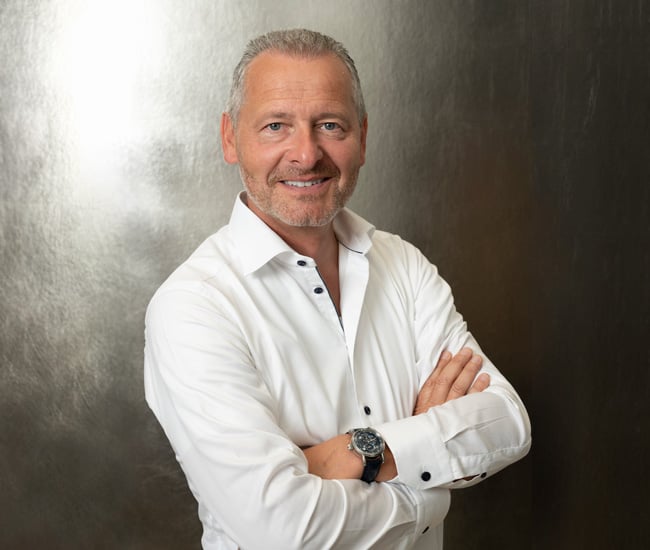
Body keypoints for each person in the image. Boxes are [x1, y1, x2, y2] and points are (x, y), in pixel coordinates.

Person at [144, 28, 531, 550]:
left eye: (330, 125)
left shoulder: (405, 267)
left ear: (363, 137)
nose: (306, 154)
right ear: (231, 138)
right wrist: (428, 484)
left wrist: (355, 453)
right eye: (276, 126)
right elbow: (282, 530)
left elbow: (507, 421)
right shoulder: (193, 307)